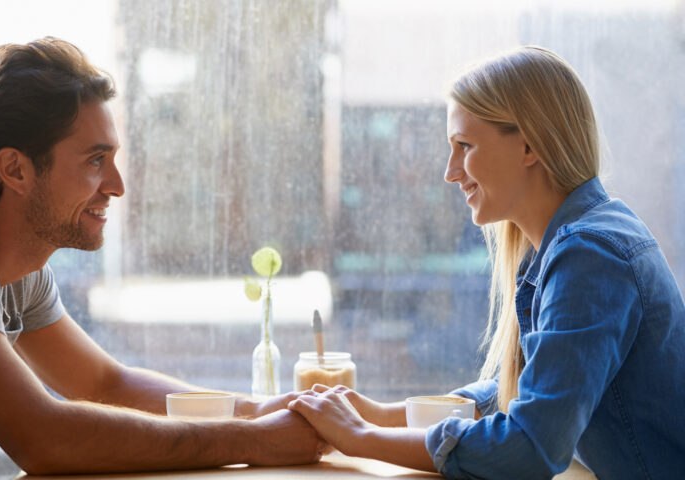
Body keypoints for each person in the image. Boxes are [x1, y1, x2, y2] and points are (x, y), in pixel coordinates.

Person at [0, 37, 324, 478]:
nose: (116, 185)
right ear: (15, 169)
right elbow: (41, 437)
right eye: (96, 160)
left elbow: (106, 385)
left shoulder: (16, 273)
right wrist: (257, 440)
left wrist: (259, 410)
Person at [288, 45, 685, 479]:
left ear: (530, 146)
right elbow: (539, 386)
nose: (450, 172)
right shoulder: (569, 243)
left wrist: (360, 438)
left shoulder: (590, 256)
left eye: (464, 145)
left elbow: (529, 446)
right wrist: (384, 415)